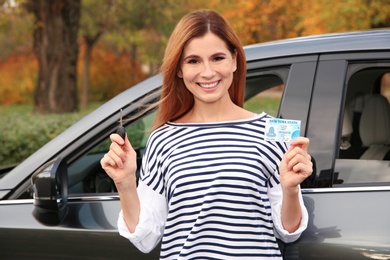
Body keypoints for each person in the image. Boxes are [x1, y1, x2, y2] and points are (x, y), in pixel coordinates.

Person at [100, 10, 313, 259]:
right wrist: (125, 183)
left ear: (234, 60)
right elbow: (145, 238)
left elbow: (289, 232)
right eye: (193, 61)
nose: (208, 72)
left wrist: (290, 190)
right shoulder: (162, 139)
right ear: (179, 69)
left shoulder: (273, 132)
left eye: (217, 58)